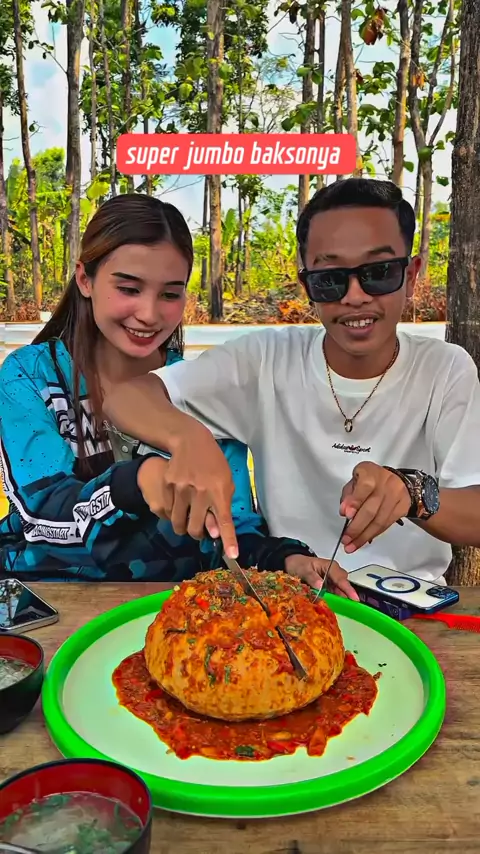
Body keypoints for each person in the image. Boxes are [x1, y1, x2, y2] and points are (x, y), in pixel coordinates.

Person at [103, 178, 480, 584]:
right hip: (292, 596)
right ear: (307, 286)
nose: (355, 296)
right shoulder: (266, 361)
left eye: (379, 272)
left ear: (412, 274)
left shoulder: (444, 370)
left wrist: (413, 493)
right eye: (330, 279)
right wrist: (188, 438)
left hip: (409, 602)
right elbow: (128, 398)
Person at [0, 193, 353, 592]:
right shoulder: (30, 375)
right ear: (85, 279)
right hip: (49, 599)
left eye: (170, 294)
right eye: (129, 289)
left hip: (171, 608)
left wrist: (285, 559)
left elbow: (230, 530)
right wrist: (136, 483)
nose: (149, 314)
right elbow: (40, 515)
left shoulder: (202, 389)